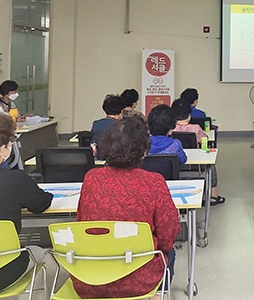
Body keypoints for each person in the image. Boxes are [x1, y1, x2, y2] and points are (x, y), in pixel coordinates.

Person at [75, 117, 181, 298]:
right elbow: (167, 237)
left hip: (90, 277)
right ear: (143, 151)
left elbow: (82, 222)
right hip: (139, 280)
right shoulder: (153, 182)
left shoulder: (91, 178)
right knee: (169, 253)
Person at [0, 112, 52, 296]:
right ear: (2, 150)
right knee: (41, 254)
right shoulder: (14, 179)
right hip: (1, 273)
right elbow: (40, 205)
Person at [171, 99, 226, 205]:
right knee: (211, 165)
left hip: (174, 164)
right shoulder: (195, 128)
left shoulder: (170, 129)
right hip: (195, 164)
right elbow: (205, 138)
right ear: (189, 115)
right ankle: (213, 195)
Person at [91, 94, 125, 159]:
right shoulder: (122, 126)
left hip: (99, 160)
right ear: (121, 111)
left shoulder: (96, 124)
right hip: (117, 161)